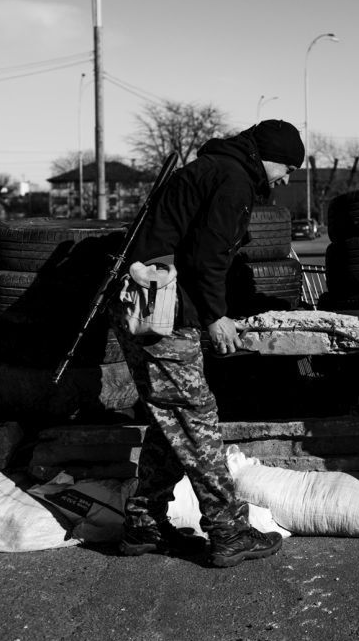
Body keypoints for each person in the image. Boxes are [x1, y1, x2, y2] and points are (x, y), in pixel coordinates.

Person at [113, 118, 302, 568]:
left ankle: (144, 524)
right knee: (197, 422)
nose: (288, 178)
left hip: (142, 310)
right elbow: (208, 254)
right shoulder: (233, 179)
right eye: (288, 168)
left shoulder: (212, 169)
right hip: (165, 316)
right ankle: (228, 529)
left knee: (170, 421)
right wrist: (216, 316)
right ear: (268, 157)